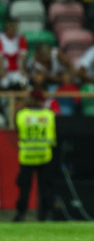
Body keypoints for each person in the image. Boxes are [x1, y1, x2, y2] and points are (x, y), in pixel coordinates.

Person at [14, 88, 57, 222]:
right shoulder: (49, 115)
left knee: (24, 188)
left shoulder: (21, 115)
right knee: (45, 188)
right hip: (45, 156)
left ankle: (21, 215)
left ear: (30, 100)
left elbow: (18, 130)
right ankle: (47, 215)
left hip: (27, 156)